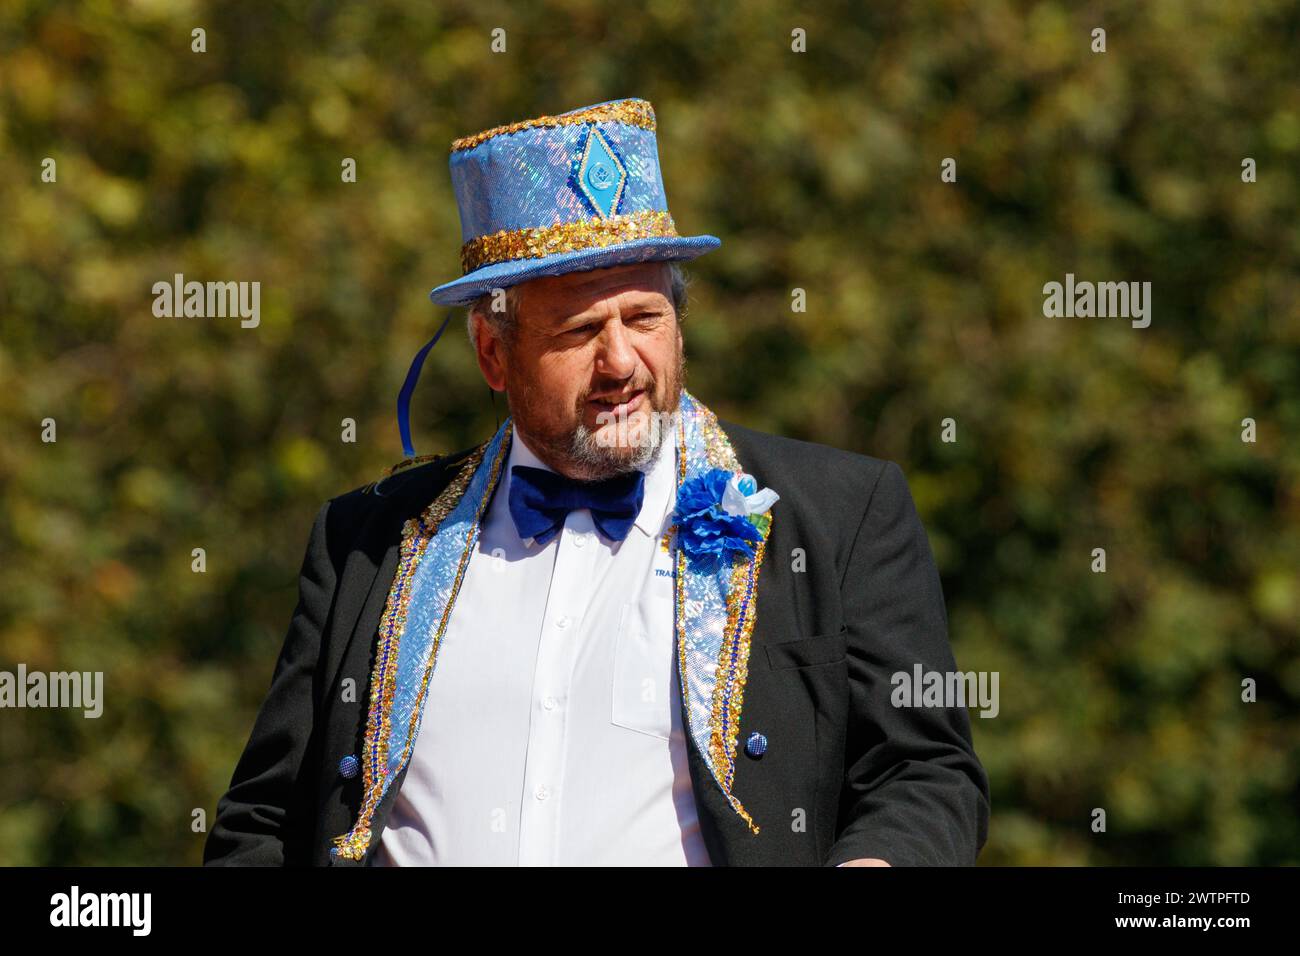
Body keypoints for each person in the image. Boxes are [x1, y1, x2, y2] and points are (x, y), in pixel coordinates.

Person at [204, 97, 989, 867]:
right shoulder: (365, 542)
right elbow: (262, 821)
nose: (620, 363)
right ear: (492, 354)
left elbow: (925, 774)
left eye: (644, 318)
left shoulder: (843, 515)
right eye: (579, 331)